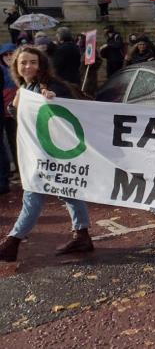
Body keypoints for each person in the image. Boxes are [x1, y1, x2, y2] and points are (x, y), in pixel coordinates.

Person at [0, 46, 94, 262]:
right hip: (39, 151)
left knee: (33, 194)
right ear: (15, 66)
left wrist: (53, 99)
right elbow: (19, 115)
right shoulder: (25, 86)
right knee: (68, 191)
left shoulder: (51, 86)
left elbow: (62, 109)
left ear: (41, 64)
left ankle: (12, 242)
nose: (28, 66)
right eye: (23, 62)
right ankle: (82, 235)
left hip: (53, 153)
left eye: (33, 62)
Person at [0, 44, 18, 187]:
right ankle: (15, 170)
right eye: (5, 55)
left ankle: (20, 169)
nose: (8, 57)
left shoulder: (21, 67)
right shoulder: (2, 70)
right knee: (8, 143)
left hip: (16, 112)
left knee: (17, 141)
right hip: (4, 113)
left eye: (10, 53)